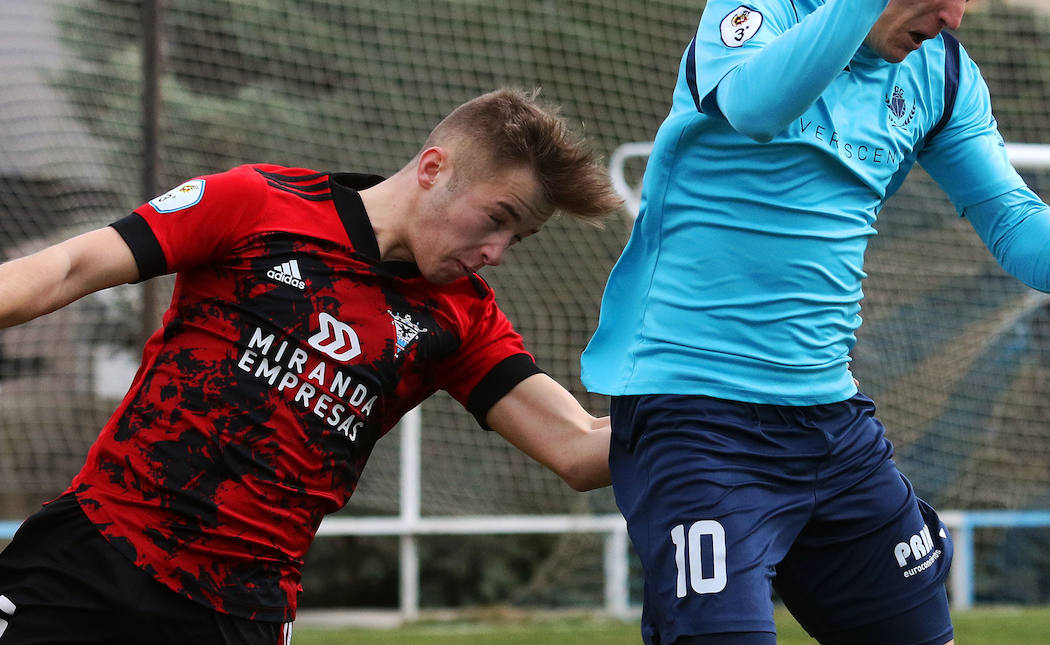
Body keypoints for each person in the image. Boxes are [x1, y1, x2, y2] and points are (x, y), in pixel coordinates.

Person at [581, 0, 1050, 645]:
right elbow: (754, 106)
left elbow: (1006, 211)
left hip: (827, 425)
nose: (954, 15)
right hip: (696, 417)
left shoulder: (941, 74)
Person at [0, 87, 622, 644]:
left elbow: (577, 447)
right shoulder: (256, 203)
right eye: (497, 219)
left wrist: (687, 398)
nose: (498, 251)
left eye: (518, 237)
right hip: (92, 556)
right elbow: (67, 268)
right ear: (434, 168)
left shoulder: (463, 319)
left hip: (241, 615)